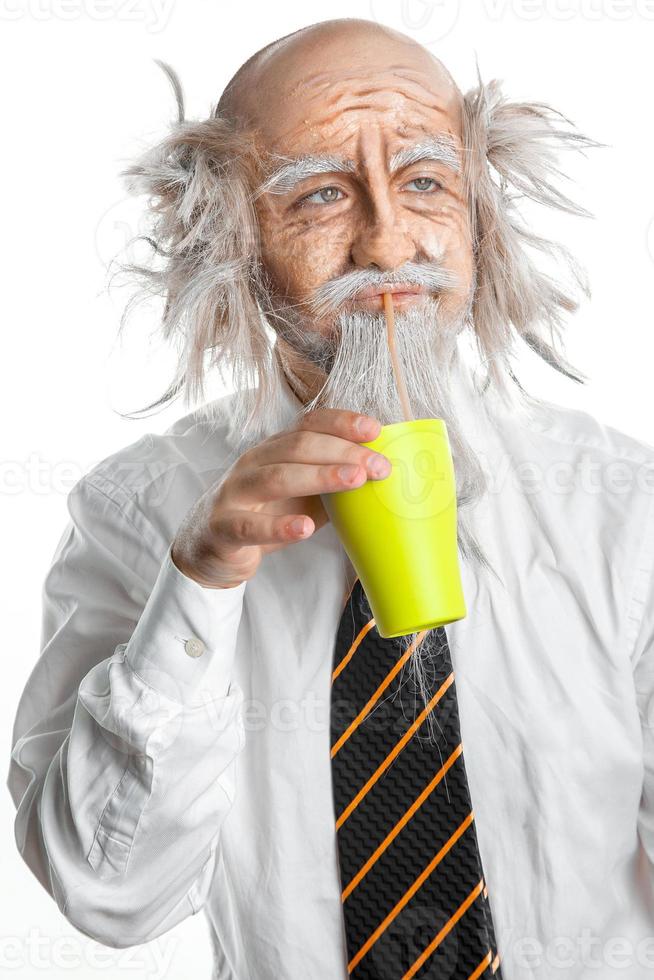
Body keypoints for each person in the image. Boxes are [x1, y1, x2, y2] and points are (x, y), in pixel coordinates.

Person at [8, 17, 654, 980]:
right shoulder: (136, 509)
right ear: (227, 236)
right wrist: (202, 578)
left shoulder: (622, 508)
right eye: (320, 195)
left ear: (478, 212)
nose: (389, 241)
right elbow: (109, 898)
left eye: (427, 181)